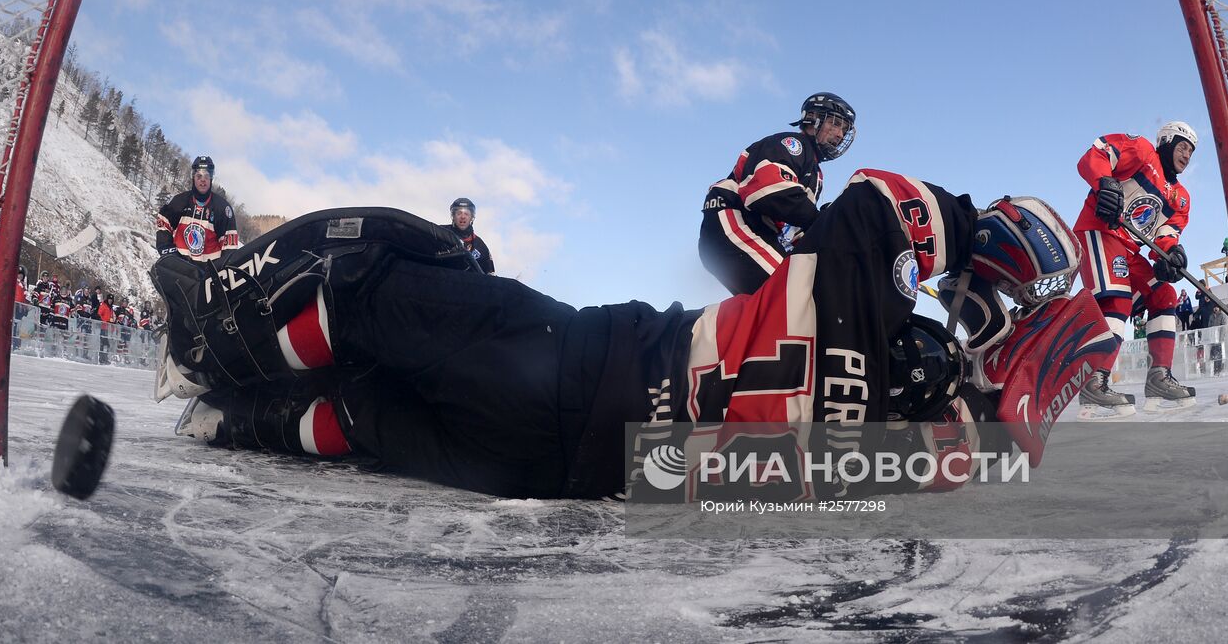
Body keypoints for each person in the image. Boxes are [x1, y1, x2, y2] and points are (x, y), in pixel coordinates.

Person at [155, 168, 1106, 500]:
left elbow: (875, 204)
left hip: (572, 365)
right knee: (361, 415)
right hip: (564, 471)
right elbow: (979, 447)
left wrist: (975, 230)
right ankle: (224, 421)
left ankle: (213, 352)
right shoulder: (902, 461)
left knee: (372, 298)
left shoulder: (846, 306)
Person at [1073, 121, 1198, 416]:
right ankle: (1095, 381)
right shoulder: (1141, 150)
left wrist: (1171, 256)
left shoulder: (1181, 198)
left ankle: (1159, 377)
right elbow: (1097, 154)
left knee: (1164, 295)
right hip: (1098, 231)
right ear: (1166, 142)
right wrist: (1105, 182)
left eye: (1191, 151)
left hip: (1130, 248)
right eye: (1182, 146)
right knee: (1118, 301)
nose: (1187, 155)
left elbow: (1165, 235)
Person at [698, 93, 855, 296]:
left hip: (762, 233)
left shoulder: (815, 175)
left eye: (844, 129)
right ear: (814, 117)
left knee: (803, 302)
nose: (840, 134)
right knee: (794, 294)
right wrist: (822, 221)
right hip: (733, 220)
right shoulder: (793, 144)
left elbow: (794, 231)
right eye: (836, 124)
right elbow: (766, 190)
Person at [156, 156, 240, 262]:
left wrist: (220, 270)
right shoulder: (179, 201)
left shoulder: (222, 208)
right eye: (199, 176)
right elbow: (163, 225)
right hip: (180, 269)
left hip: (209, 273)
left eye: (206, 176)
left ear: (211, 179)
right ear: (193, 178)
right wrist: (171, 256)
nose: (203, 180)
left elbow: (229, 249)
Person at [444, 197, 494, 274]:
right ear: (453, 216)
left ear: (471, 217)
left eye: (466, 214)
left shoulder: (481, 246)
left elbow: (490, 276)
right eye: (459, 213)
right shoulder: (440, 232)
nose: (463, 217)